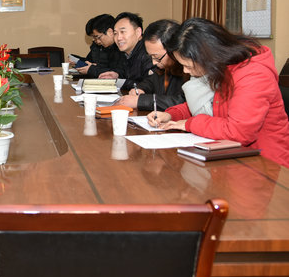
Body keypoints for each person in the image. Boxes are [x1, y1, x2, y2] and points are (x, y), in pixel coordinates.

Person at [147, 17, 289, 167]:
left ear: (207, 57)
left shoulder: (254, 74)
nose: (185, 71)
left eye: (188, 66)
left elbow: (238, 132)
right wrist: (171, 115)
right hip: (232, 156)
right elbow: (207, 106)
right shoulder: (221, 66)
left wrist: (190, 124)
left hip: (265, 164)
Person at [117, 19, 187, 111]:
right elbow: (151, 81)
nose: (154, 63)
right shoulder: (165, 67)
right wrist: (140, 89)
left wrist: (140, 101)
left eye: (157, 57)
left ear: (173, 50)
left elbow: (182, 102)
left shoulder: (189, 70)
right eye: (151, 56)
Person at [99, 12, 153, 91]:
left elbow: (150, 86)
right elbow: (127, 73)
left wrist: (120, 82)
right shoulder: (127, 52)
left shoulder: (149, 53)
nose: (118, 38)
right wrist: (116, 75)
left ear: (138, 32)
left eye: (123, 32)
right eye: (115, 33)